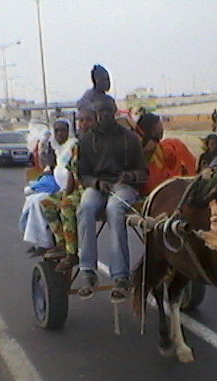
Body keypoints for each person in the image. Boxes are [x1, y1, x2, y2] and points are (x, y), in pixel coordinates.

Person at [76, 94, 147, 302]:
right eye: (101, 112)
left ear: (114, 113)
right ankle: (88, 271)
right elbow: (83, 174)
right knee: (86, 206)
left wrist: (130, 176)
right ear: (97, 115)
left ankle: (120, 277)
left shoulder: (129, 138)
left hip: (123, 187)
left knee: (115, 209)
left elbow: (143, 171)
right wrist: (97, 183)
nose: (105, 115)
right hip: (99, 186)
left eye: (109, 111)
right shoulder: (87, 140)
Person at [40, 110, 96, 272]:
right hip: (77, 189)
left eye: (88, 120)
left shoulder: (96, 143)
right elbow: (71, 172)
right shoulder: (78, 145)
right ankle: (62, 244)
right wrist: (66, 193)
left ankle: (72, 253)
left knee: (65, 205)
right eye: (81, 120)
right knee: (47, 203)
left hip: (92, 190)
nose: (84, 124)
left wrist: (67, 197)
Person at [20, 119, 77, 257]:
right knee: (34, 202)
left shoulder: (73, 145)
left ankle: (66, 248)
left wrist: (66, 191)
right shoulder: (57, 147)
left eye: (62, 130)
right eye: (56, 130)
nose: (59, 133)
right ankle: (42, 242)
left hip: (70, 188)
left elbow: (71, 172)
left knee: (48, 203)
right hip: (59, 186)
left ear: (68, 131)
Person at [135, 112, 197, 196]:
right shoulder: (173, 145)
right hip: (169, 191)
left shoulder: (168, 146)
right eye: (159, 126)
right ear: (152, 130)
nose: (162, 129)